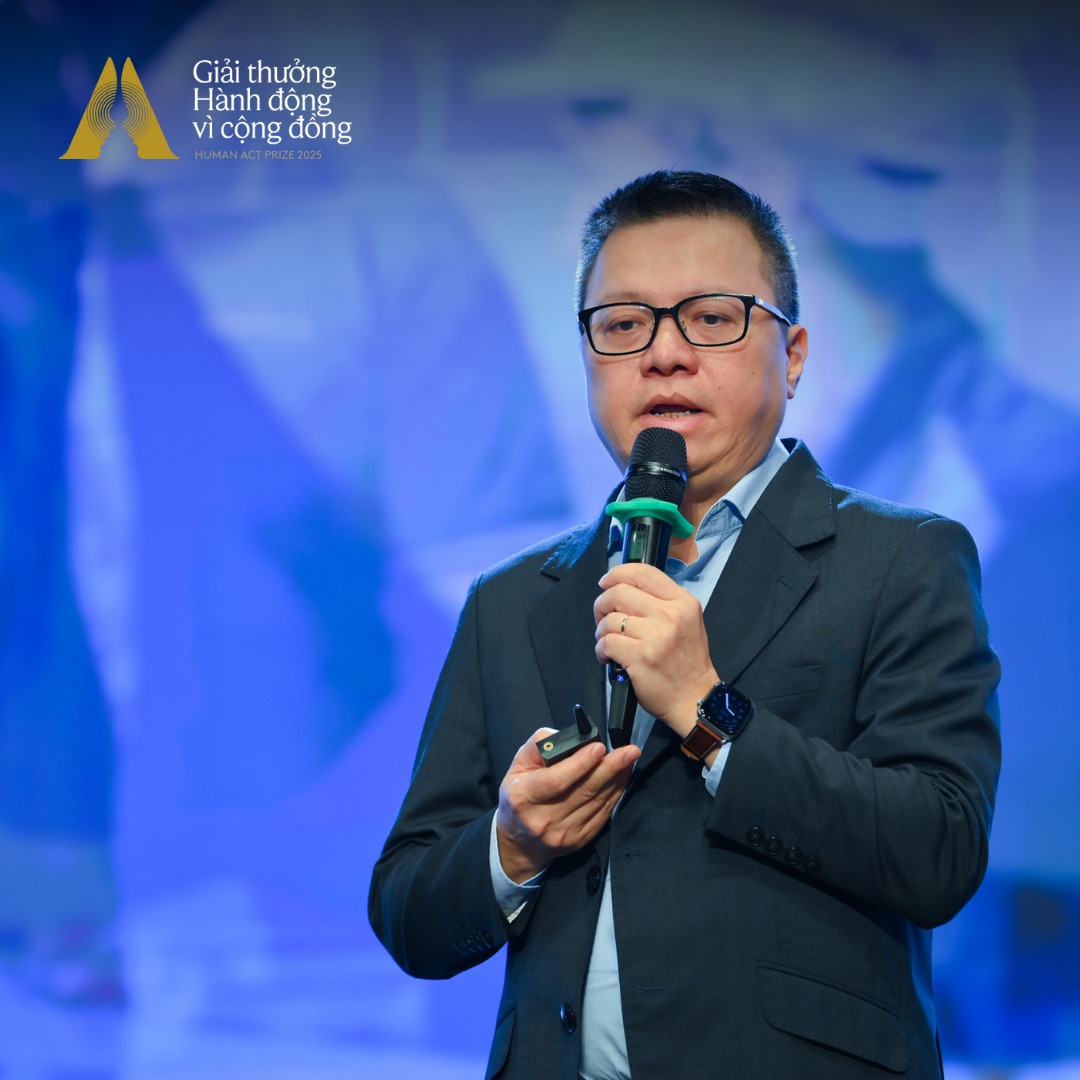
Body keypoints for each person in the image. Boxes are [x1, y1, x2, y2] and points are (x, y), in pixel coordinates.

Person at [368, 170, 1001, 1079]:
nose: (664, 355)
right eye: (624, 324)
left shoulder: (902, 558)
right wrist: (512, 845)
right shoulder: (512, 600)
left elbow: (938, 850)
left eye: (710, 317)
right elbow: (408, 910)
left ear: (793, 355)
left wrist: (710, 713)